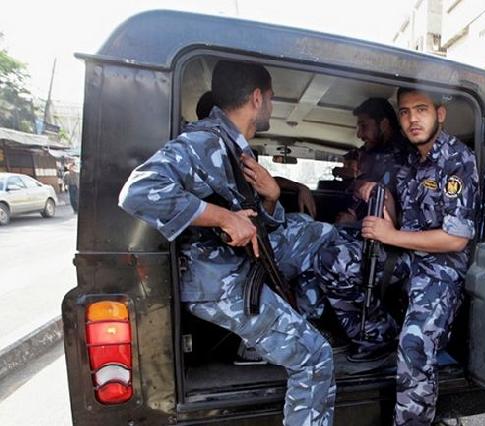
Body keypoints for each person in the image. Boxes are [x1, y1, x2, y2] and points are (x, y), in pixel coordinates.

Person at [119, 60, 336, 425]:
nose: (271, 107)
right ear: (257, 98)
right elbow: (139, 191)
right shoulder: (204, 142)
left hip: (238, 269)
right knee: (315, 358)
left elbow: (251, 223)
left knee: (313, 233)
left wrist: (271, 197)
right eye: (271, 99)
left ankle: (301, 324)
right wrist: (223, 218)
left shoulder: (235, 149)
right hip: (220, 282)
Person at [314, 87, 479, 425]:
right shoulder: (408, 159)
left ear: (440, 114)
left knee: (414, 347)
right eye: (405, 112)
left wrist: (390, 235)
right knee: (332, 260)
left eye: (421, 109)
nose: (412, 118)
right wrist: (381, 195)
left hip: (440, 267)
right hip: (405, 253)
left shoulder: (457, 160)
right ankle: (377, 336)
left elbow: (456, 239)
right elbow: (401, 214)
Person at [196, 90, 317, 218]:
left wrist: (299, 187)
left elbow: (261, 181)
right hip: (257, 227)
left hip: (263, 223)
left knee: (306, 219)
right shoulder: (208, 167)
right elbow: (252, 224)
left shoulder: (235, 157)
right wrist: (271, 198)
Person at [336, 97, 412, 224]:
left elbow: (388, 209)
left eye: (364, 126)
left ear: (384, 124)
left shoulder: (401, 156)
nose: (359, 134)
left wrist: (354, 223)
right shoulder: (376, 152)